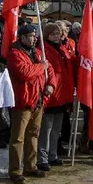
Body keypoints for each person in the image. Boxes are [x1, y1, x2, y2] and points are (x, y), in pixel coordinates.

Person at [6, 23, 53, 184]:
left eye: (35, 36)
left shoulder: (38, 53)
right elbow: (25, 73)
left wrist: (50, 84)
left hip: (38, 100)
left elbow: (50, 70)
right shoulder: (15, 54)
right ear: (23, 37)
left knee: (33, 134)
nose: (34, 39)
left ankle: (30, 165)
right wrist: (41, 66)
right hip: (23, 101)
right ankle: (15, 170)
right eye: (31, 36)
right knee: (18, 137)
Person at [39, 22, 75, 170]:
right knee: (46, 128)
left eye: (58, 34)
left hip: (63, 94)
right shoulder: (44, 49)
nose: (56, 36)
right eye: (53, 34)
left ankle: (53, 155)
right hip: (52, 93)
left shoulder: (62, 49)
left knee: (56, 128)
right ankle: (43, 157)